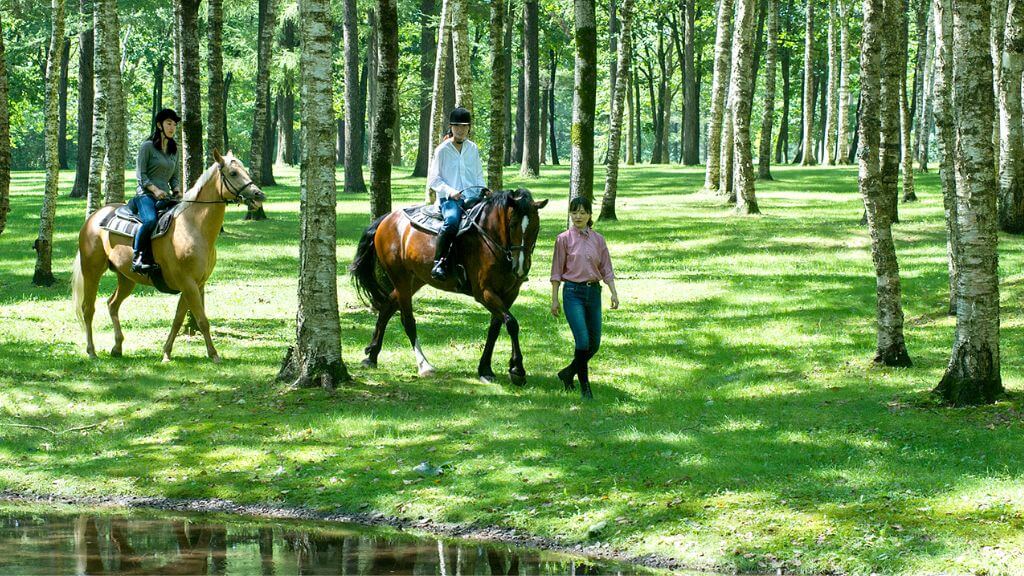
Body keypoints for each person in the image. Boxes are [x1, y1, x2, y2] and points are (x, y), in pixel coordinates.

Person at [550, 197, 619, 399]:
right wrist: (555, 300)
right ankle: (585, 388)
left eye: (582, 212)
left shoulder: (599, 239)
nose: (577, 216)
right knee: (582, 341)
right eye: (574, 212)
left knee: (594, 344)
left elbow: (606, 268)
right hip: (573, 293)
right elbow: (556, 272)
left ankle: (568, 372)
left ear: (589, 214)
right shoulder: (563, 239)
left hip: (593, 293)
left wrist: (613, 291)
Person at [427, 107, 486, 280]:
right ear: (451, 127)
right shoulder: (442, 150)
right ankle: (439, 262)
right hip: (449, 200)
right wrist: (451, 192)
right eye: (456, 126)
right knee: (452, 222)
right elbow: (433, 179)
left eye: (464, 126)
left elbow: (478, 175)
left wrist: (483, 189)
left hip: (472, 197)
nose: (460, 130)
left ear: (469, 128)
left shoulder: (472, 149)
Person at [131, 108, 182, 273]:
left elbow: (175, 176)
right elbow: (141, 175)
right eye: (169, 123)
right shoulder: (147, 147)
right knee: (151, 221)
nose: (172, 127)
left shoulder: (174, 150)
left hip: (165, 197)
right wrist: (155, 190)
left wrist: (176, 190)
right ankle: (138, 257)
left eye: (174, 124)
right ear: (160, 125)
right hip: (145, 195)